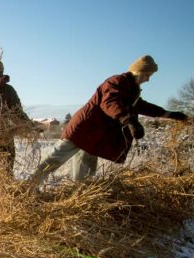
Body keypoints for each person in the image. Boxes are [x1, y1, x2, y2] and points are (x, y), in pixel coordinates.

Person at [29, 55, 188, 185]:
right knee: (54, 161)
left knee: (85, 174)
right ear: (139, 72)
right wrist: (128, 120)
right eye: (147, 75)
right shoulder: (116, 82)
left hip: (94, 136)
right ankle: (26, 190)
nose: (148, 80)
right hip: (82, 129)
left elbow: (143, 106)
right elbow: (109, 103)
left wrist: (170, 114)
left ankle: (77, 199)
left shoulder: (131, 90)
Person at [0, 59, 38, 175]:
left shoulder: (8, 90)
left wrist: (31, 126)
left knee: (6, 171)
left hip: (3, 135)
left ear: (1, 76)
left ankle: (5, 189)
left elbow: (17, 112)